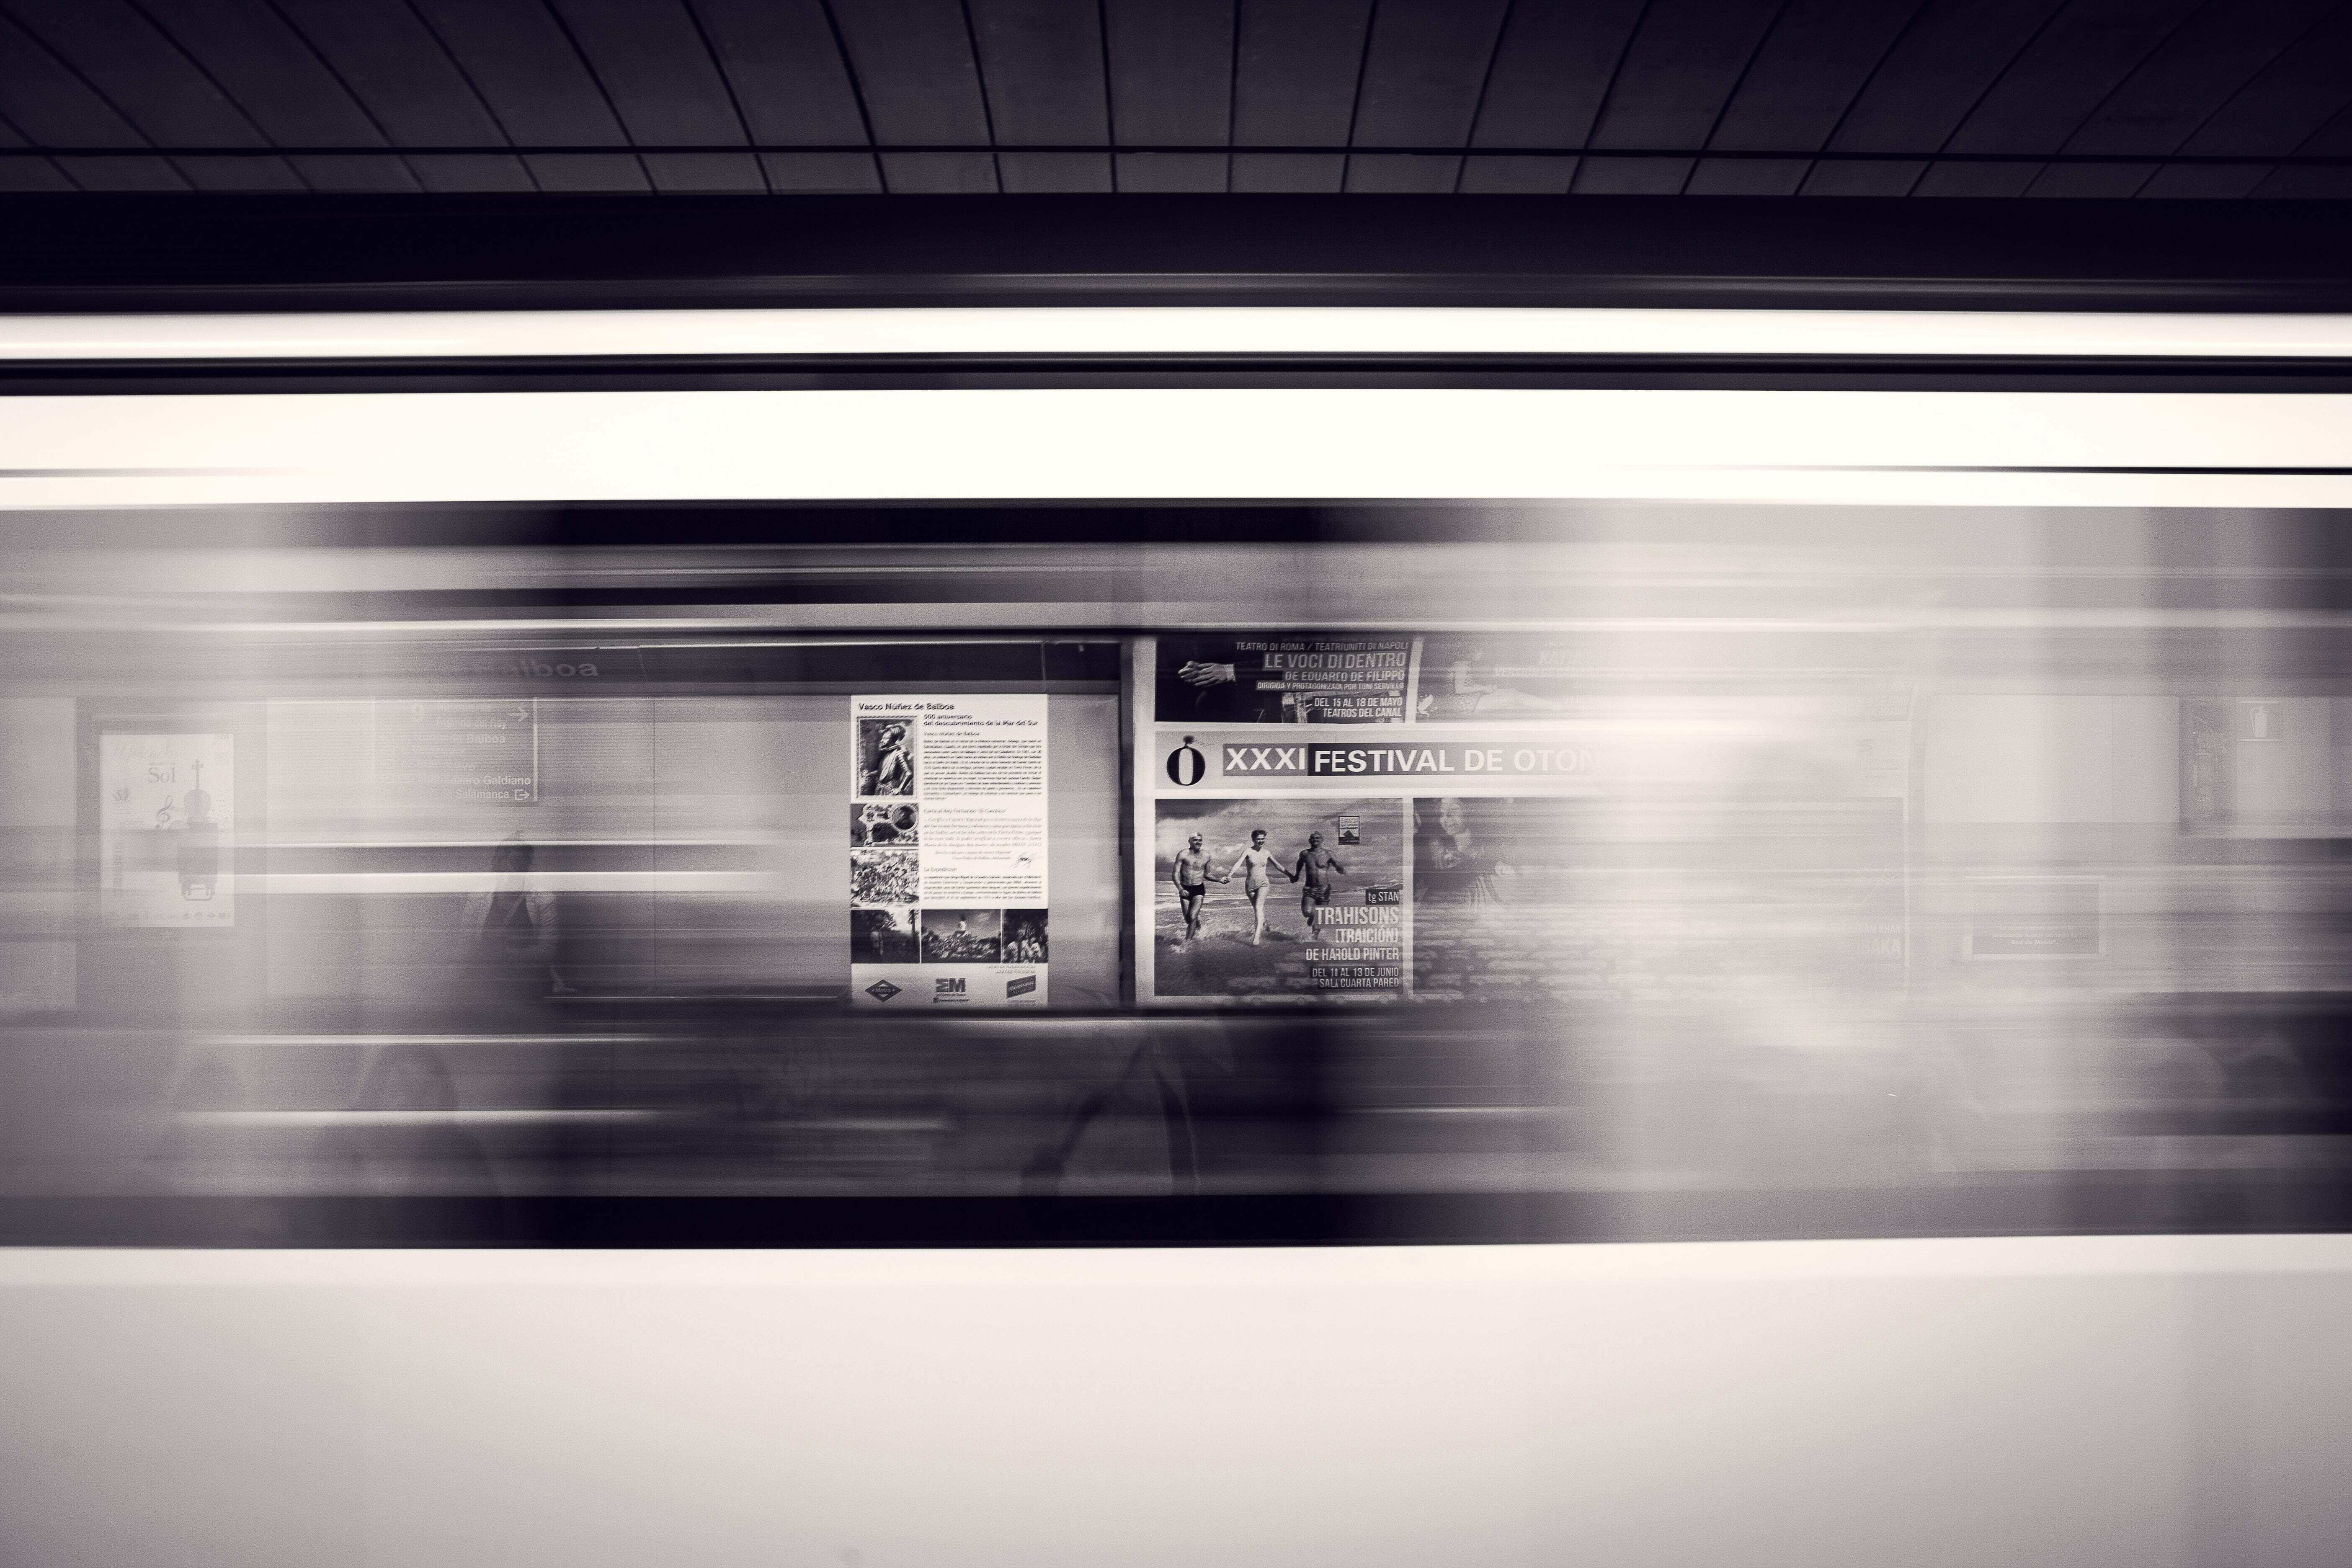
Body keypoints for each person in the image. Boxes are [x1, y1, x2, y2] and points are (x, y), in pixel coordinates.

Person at [455, 833, 565, 1010]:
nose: (510, 868)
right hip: (483, 982)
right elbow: (464, 945)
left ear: (527, 866)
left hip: (528, 983)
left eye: (518, 862)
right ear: (497, 864)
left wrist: (499, 954)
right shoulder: (479, 897)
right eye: (505, 861)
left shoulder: (543, 898)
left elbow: (547, 952)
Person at [1417, 643, 1564, 718]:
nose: (1481, 654)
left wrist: (1486, 688)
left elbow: (1464, 686)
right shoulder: (1462, 665)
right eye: (1480, 651)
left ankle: (1549, 708)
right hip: (1466, 705)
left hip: (1469, 701)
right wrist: (1483, 689)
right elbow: (1459, 689)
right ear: (1472, 652)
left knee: (1512, 694)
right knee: (1513, 698)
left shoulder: (1461, 665)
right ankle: (1552, 708)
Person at [1225, 828, 1294, 946]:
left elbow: (1277, 865)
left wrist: (1290, 875)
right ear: (1253, 840)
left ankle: (1256, 937)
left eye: (1263, 839)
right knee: (1258, 911)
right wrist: (1230, 875)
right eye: (1259, 839)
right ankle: (1265, 923)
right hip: (1250, 886)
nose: (1261, 841)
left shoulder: (1266, 853)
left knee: (1258, 908)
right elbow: (1238, 863)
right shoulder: (1248, 851)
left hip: (1263, 884)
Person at [1292, 830, 1350, 941]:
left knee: (1321, 917)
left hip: (1324, 889)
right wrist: (1297, 875)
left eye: (1318, 838)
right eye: (1313, 838)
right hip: (1310, 888)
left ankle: (1314, 938)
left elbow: (1336, 865)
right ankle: (1315, 915)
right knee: (1307, 913)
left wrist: (1341, 869)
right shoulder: (1305, 854)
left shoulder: (1329, 854)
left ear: (1322, 840)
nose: (1315, 840)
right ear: (1310, 841)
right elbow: (1299, 864)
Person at [1170, 832, 1225, 946]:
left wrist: (1220, 880)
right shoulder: (1183, 854)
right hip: (1185, 889)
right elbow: (1175, 875)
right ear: (1190, 841)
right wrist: (1180, 889)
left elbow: (1207, 874)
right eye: (1195, 840)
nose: (1198, 842)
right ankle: (1197, 925)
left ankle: (1186, 944)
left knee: (1192, 916)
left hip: (1198, 889)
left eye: (1200, 840)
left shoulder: (1206, 855)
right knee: (1189, 920)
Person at [865, 723, 914, 796]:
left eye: (885, 738)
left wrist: (900, 789)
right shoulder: (886, 753)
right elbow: (881, 772)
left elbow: (909, 773)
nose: (882, 741)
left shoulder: (899, 753)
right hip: (880, 789)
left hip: (890, 790)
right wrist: (868, 774)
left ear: (891, 740)